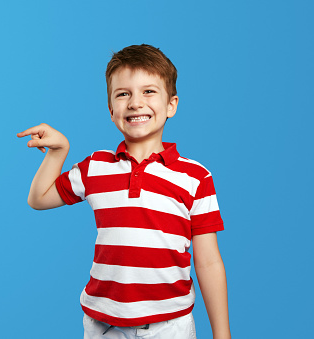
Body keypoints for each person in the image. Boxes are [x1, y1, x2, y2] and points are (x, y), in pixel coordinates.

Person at [17, 44, 231, 339]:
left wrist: (222, 335)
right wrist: (59, 151)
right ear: (111, 109)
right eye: (123, 94)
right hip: (103, 326)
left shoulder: (195, 177)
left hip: (169, 327)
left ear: (172, 104)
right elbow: (38, 199)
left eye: (148, 91)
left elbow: (208, 261)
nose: (135, 103)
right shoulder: (96, 167)